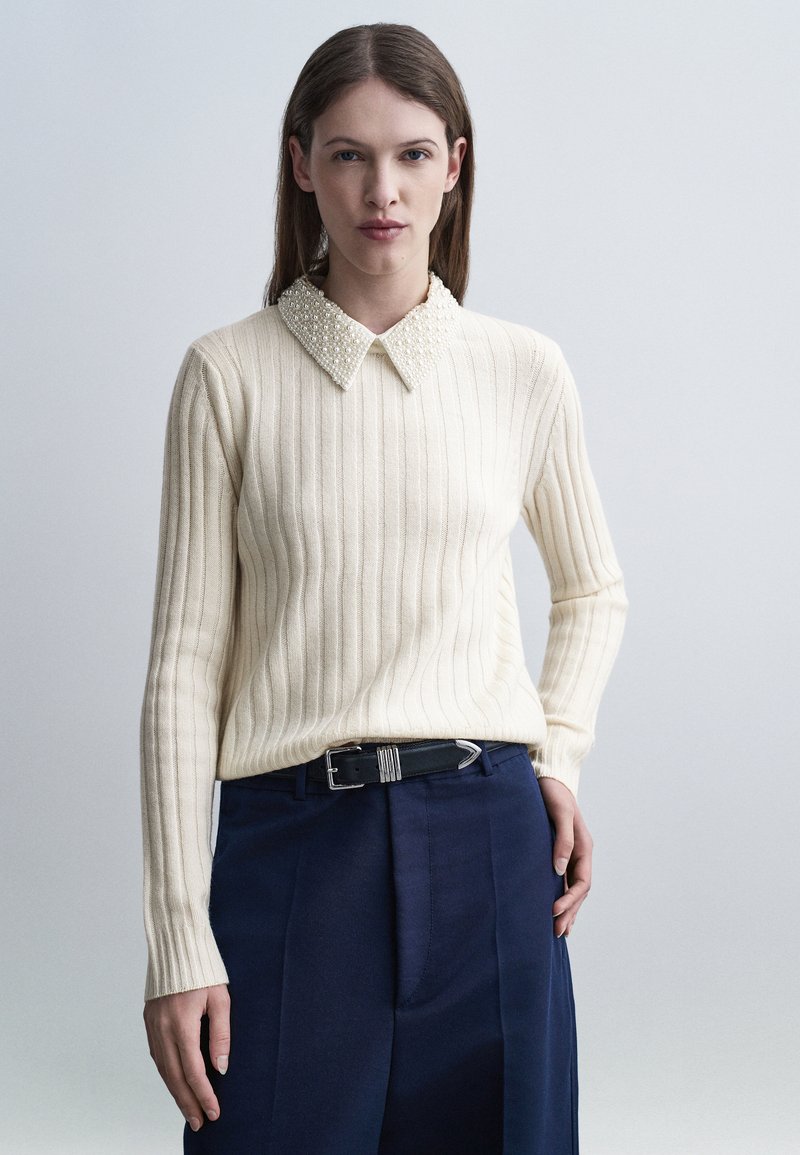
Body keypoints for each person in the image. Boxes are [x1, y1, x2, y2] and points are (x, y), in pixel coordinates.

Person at [139, 22, 628, 1155]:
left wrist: (556, 753)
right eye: (348, 155)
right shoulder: (228, 375)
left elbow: (593, 587)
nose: (382, 191)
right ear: (300, 164)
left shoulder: (520, 370)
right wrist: (176, 936)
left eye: (411, 155)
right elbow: (182, 672)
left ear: (454, 164)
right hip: (293, 851)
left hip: (489, 845)